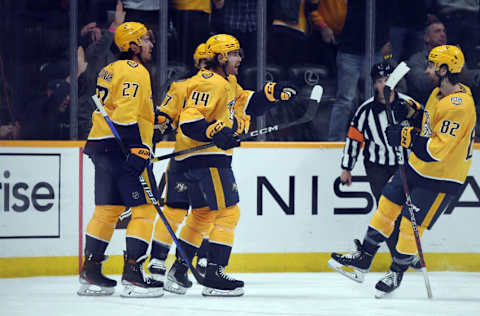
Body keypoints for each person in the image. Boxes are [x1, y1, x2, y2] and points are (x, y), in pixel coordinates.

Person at [329, 45, 476, 297]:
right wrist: (412, 113)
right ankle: (364, 258)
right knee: (386, 205)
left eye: (432, 65)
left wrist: (404, 135)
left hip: (441, 176)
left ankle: (396, 272)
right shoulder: (438, 94)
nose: (427, 69)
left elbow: (435, 150)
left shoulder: (459, 106)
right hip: (417, 167)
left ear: (443, 70)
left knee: (409, 225)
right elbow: (429, 122)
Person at [163, 33, 297, 297]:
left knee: (203, 215)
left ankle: (179, 270)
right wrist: (215, 132)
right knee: (229, 212)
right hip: (206, 158)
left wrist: (273, 94)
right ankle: (214, 273)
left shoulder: (227, 83)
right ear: (221, 56)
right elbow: (190, 120)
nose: (239, 59)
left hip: (200, 158)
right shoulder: (210, 82)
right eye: (234, 54)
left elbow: (247, 104)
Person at [78, 21, 164, 298]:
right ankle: (134, 274)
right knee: (145, 210)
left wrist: (154, 121)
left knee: (107, 210)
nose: (151, 45)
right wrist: (138, 147)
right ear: (133, 46)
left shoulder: (110, 68)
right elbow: (125, 115)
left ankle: (90, 271)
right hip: (123, 148)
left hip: (101, 146)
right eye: (146, 40)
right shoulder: (135, 70)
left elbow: (121, 107)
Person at [338, 61, 422, 274]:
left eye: (387, 80)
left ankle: (405, 254)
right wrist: (347, 168)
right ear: (374, 84)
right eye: (379, 81)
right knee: (386, 211)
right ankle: (399, 256)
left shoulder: (409, 105)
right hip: (376, 166)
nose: (384, 85)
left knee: (405, 211)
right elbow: (354, 139)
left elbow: (427, 127)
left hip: (403, 165)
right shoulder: (365, 110)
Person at [147, 43, 211, 284]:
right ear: (197, 64)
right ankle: (158, 258)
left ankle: (201, 256)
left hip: (209, 161)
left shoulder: (228, 87)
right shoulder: (182, 87)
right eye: (204, 62)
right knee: (174, 211)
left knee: (206, 212)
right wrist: (157, 132)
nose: (207, 67)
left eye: (211, 62)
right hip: (184, 159)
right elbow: (165, 116)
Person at [326, 0, 391, 141]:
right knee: (346, 99)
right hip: (350, 50)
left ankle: (373, 137)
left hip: (375, 49)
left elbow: (390, 13)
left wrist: (385, 38)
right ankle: (335, 140)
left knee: (376, 97)